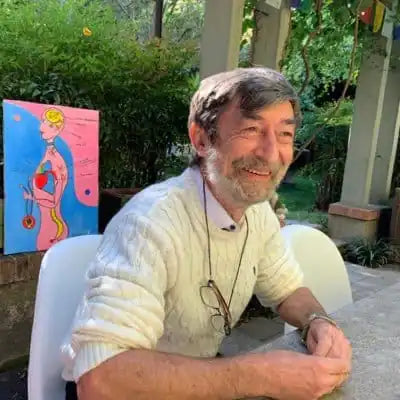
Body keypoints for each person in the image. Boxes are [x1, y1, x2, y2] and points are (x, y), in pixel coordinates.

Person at [62, 67, 352, 400]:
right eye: (251, 129)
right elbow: (99, 381)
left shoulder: (258, 214)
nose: (272, 153)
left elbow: (287, 290)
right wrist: (258, 375)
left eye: (284, 134)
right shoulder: (148, 224)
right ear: (201, 139)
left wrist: (318, 322)